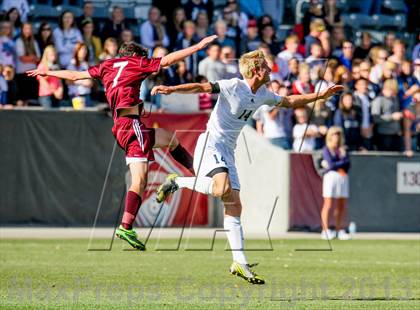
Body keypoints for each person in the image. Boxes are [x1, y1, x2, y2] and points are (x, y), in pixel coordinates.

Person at [151, 50, 344, 284]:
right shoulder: (233, 85)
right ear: (254, 70)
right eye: (264, 66)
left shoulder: (262, 93)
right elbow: (201, 88)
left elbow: (291, 101)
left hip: (228, 152)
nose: (270, 68)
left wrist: (320, 96)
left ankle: (239, 263)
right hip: (211, 144)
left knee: (234, 205)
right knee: (222, 189)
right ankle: (177, 181)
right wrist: (172, 90)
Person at [27, 35, 218, 251]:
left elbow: (75, 75)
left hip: (122, 126)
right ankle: (126, 226)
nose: (147, 64)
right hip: (130, 125)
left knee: (169, 139)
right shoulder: (136, 63)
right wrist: (198, 46)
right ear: (135, 55)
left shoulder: (107, 65)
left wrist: (48, 71)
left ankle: (196, 173)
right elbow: (167, 60)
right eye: (143, 58)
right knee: (140, 181)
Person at [320, 126, 351, 240]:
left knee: (341, 205)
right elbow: (331, 164)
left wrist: (339, 163)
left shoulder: (343, 149)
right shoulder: (326, 149)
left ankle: (339, 230)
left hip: (342, 177)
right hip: (330, 177)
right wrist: (341, 163)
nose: (336, 137)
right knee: (328, 204)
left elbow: (347, 163)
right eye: (334, 134)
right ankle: (325, 230)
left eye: (338, 135)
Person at [371, 79, 403, 151]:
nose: (392, 93)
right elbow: (375, 118)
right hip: (384, 135)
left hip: (396, 134)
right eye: (391, 90)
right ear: (385, 89)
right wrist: (392, 117)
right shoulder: (378, 100)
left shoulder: (395, 99)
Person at [15, 22, 40, 104]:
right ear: (22, 30)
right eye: (26, 29)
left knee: (31, 99)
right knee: (22, 98)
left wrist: (30, 58)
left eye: (29, 29)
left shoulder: (34, 42)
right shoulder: (19, 41)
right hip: (22, 74)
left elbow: (38, 58)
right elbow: (22, 59)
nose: (28, 31)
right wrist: (32, 57)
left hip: (33, 73)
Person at [67, 42, 93, 107]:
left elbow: (91, 83)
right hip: (75, 96)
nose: (84, 51)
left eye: (85, 49)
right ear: (77, 50)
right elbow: (68, 81)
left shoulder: (87, 64)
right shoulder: (72, 63)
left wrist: (90, 83)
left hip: (86, 95)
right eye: (81, 49)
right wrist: (82, 82)